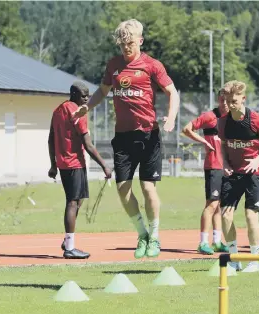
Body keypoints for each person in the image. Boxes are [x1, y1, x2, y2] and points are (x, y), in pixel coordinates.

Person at [71, 19, 180, 259]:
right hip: (122, 137)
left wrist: (171, 118)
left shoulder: (152, 65)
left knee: (147, 187)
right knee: (123, 189)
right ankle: (142, 234)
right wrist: (87, 107)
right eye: (122, 45)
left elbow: (172, 92)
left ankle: (155, 236)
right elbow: (102, 90)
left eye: (130, 43)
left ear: (140, 41)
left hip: (148, 135)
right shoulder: (113, 65)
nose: (126, 49)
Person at [218, 80, 259, 272]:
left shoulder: (257, 120)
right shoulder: (222, 122)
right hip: (233, 174)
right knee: (225, 215)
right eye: (226, 100)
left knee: (250, 216)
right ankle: (234, 259)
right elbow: (223, 145)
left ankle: (254, 260)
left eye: (233, 100)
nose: (229, 103)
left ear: (243, 99)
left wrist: (257, 160)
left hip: (255, 173)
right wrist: (225, 164)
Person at [48, 81, 112, 259]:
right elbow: (88, 145)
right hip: (74, 163)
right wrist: (104, 165)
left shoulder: (57, 111)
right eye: (84, 96)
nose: (87, 99)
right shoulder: (78, 113)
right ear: (74, 94)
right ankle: (70, 248)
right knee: (72, 202)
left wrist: (53, 165)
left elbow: (50, 139)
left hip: (63, 163)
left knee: (79, 198)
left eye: (88, 95)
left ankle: (68, 239)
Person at [182, 89, 229, 255]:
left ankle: (216, 242)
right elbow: (186, 129)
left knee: (219, 206)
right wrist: (204, 141)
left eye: (227, 100)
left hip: (226, 168)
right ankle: (203, 242)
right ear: (218, 100)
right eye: (221, 100)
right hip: (214, 167)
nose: (224, 103)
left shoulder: (232, 119)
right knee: (211, 204)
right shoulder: (210, 116)